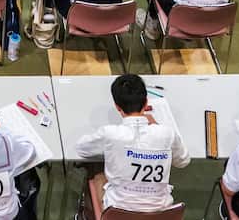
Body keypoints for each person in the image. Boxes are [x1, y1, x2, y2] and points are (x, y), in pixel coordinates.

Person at [74, 74, 190, 213]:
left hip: (117, 213)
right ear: (146, 103)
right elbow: (183, 161)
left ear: (117, 107)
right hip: (158, 214)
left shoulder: (110, 133)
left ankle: (86, 212)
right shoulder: (167, 133)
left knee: (96, 169)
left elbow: (81, 148)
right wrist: (158, 128)